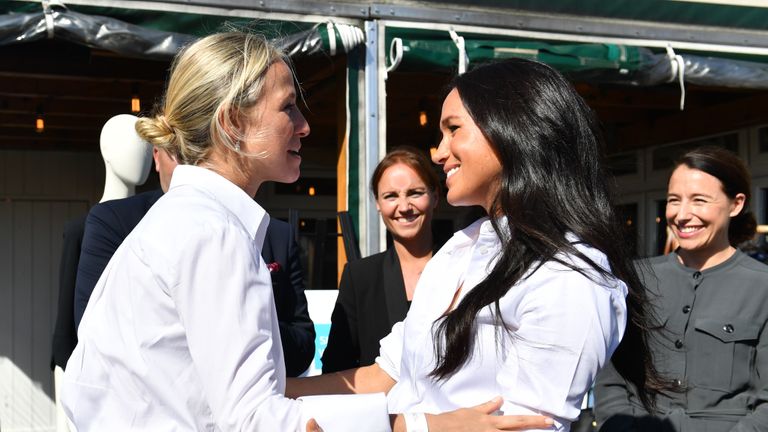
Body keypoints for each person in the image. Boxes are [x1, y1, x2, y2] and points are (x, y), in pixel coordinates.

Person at [60, 31, 544, 432]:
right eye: (288, 107)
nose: (304, 125)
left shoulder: (187, 222)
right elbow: (256, 419)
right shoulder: (212, 233)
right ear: (232, 122)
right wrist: (425, 427)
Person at [287, 58, 666, 432]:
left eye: (454, 129)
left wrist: (387, 427)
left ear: (515, 128)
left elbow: (528, 427)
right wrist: (268, 397)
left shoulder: (569, 272)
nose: (438, 152)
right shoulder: (458, 249)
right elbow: (382, 375)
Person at [72, 145, 315, 376]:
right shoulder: (116, 222)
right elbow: (100, 336)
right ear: (157, 157)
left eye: (199, 154)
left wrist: (239, 320)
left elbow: (303, 347)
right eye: (180, 153)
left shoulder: (275, 233)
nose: (191, 166)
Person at [594, 146, 768, 432]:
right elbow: (610, 375)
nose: (682, 214)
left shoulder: (762, 287)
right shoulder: (637, 279)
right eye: (674, 200)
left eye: (699, 200)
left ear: (736, 204)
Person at [51, 113, 152, 432]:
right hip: (100, 397)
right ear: (106, 150)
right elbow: (65, 328)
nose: (143, 153)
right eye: (132, 144)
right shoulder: (81, 231)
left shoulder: (161, 224)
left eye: (148, 145)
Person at [322, 147, 439, 373]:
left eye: (415, 192)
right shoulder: (360, 277)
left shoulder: (465, 266)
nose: (404, 207)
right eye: (391, 196)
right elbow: (337, 366)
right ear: (377, 203)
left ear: (435, 197)